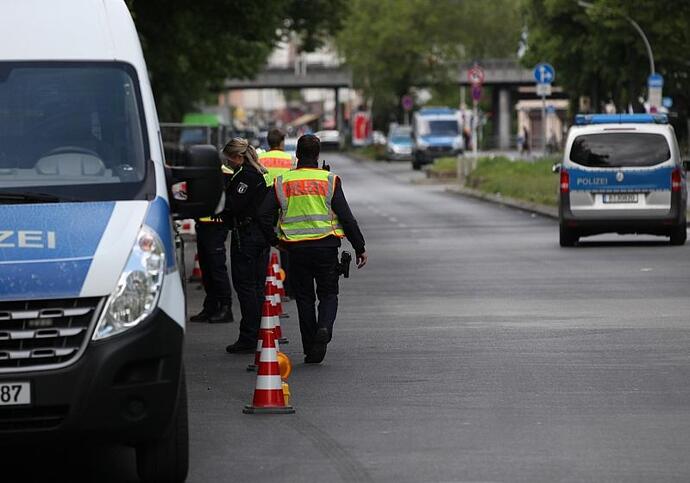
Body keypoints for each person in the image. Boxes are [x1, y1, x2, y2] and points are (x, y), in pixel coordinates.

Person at [258, 134, 367, 364]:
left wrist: (274, 240)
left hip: (295, 249)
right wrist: (359, 247)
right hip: (326, 247)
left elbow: (262, 214)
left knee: (304, 298)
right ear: (317, 155)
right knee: (328, 293)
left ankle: (310, 347)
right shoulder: (329, 180)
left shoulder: (283, 181)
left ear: (297, 154)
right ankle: (324, 327)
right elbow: (347, 218)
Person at [221, 138, 272, 354]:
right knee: (256, 286)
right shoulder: (259, 172)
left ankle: (249, 336)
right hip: (260, 235)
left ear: (238, 156)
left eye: (229, 159)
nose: (228, 162)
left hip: (247, 235)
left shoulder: (246, 176)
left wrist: (221, 201)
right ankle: (257, 332)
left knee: (246, 286)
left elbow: (233, 205)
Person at [189, 163, 234, 323]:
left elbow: (229, 200)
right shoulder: (201, 171)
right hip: (203, 224)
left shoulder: (225, 174)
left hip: (216, 226)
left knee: (216, 268)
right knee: (206, 269)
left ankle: (226, 308)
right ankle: (210, 306)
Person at [258, 128, 295, 298]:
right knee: (285, 248)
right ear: (281, 142)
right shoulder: (292, 160)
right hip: (284, 206)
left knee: (264, 245)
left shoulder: (260, 159)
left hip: (264, 206)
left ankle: (263, 286)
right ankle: (288, 289)